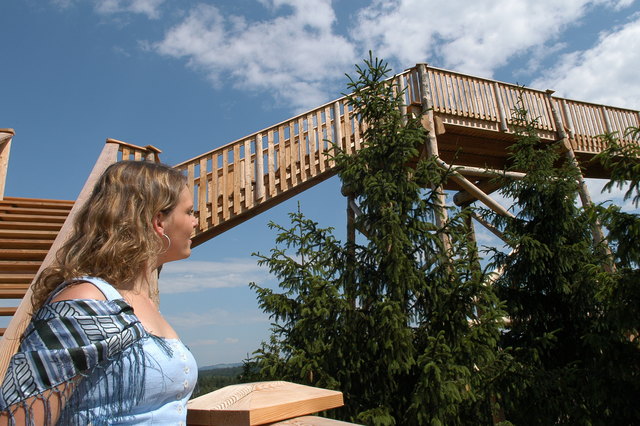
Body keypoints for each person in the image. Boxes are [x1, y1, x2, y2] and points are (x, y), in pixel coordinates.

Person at [0, 160, 198, 425]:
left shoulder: (143, 301)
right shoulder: (86, 303)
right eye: (189, 212)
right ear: (158, 221)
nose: (196, 222)